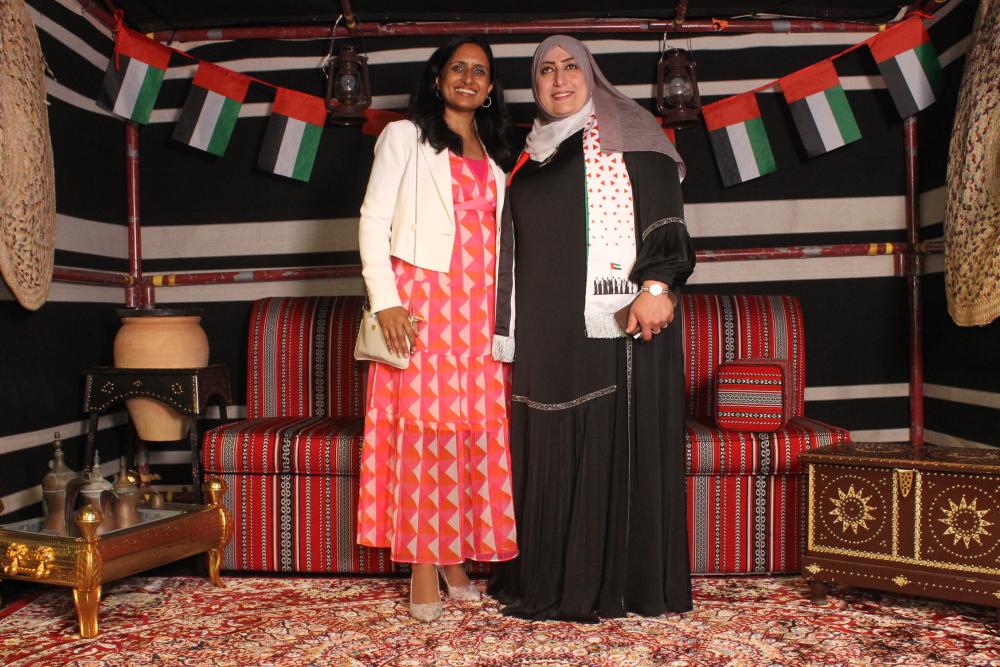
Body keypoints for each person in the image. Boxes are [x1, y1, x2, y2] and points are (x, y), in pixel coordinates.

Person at [487, 35, 695, 621]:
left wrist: (658, 287)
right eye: (546, 70)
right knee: (545, 437)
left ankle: (616, 586)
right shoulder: (530, 153)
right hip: (543, 330)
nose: (559, 80)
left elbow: (665, 215)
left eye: (571, 67)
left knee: (611, 439)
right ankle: (546, 579)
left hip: (618, 323)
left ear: (591, 73)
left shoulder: (630, 130)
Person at [356, 36, 517, 623]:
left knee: (468, 434)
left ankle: (453, 558)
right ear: (437, 77)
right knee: (424, 434)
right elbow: (373, 219)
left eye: (480, 72)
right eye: (458, 68)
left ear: (490, 88)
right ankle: (422, 563)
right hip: (423, 301)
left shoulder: (496, 154)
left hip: (481, 309)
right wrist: (386, 301)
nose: (468, 78)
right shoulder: (405, 136)